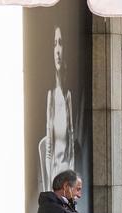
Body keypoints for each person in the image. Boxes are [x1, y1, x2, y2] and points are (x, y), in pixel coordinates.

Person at [42, 26, 76, 192]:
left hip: (67, 176)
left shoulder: (68, 96)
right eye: (54, 43)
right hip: (55, 177)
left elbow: (71, 140)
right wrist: (50, 186)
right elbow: (49, 145)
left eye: (60, 43)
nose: (57, 50)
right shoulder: (51, 96)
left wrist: (73, 182)